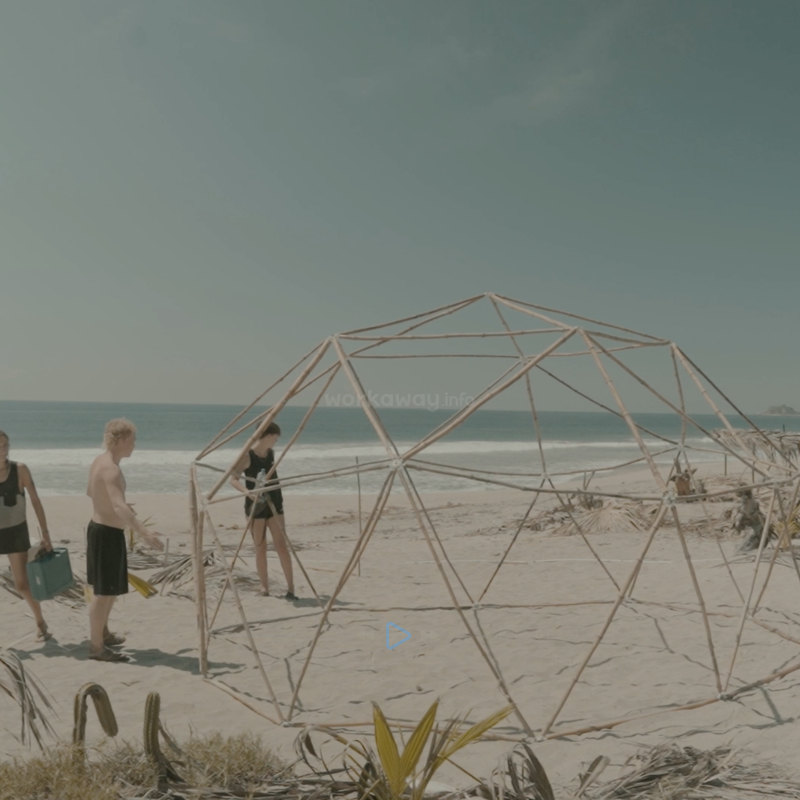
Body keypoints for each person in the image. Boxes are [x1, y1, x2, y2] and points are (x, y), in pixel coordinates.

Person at [86, 418, 164, 662]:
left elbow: (92, 492)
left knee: (110, 590)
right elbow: (118, 505)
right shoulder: (110, 468)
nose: (134, 446)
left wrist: (113, 506)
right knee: (103, 593)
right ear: (121, 440)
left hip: (104, 530)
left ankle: (104, 633)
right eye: (132, 441)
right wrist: (144, 532)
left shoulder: (100, 461)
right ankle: (97, 647)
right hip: (105, 533)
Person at [230, 422, 296, 600]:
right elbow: (233, 479)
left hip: (275, 502)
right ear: (267, 435)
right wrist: (248, 492)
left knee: (281, 545)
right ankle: (264, 587)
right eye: (275, 437)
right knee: (260, 547)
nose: (276, 440)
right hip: (256, 506)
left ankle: (291, 589)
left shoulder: (271, 454)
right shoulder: (247, 455)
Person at [0, 429, 53, 641]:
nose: (3, 450)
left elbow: (36, 501)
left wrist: (46, 534)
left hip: (15, 532)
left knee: (21, 584)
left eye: (5, 445)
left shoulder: (20, 470)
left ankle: (40, 622)